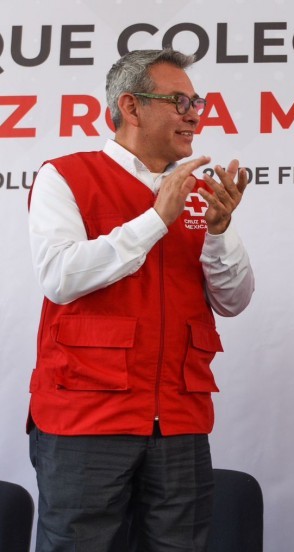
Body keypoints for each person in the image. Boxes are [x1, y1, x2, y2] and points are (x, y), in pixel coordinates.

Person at [27, 48, 255, 551]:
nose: (195, 114)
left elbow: (235, 300)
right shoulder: (64, 175)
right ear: (130, 107)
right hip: (86, 419)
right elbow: (60, 276)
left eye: (197, 101)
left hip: (178, 421)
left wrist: (219, 232)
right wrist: (156, 219)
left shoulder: (201, 192)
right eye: (179, 101)